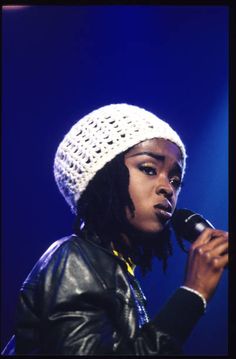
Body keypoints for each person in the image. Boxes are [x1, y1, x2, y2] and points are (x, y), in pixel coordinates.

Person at [2, 103, 228, 355]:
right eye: (149, 169)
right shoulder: (74, 260)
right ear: (103, 177)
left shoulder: (113, 268)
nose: (167, 188)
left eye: (175, 180)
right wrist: (192, 293)